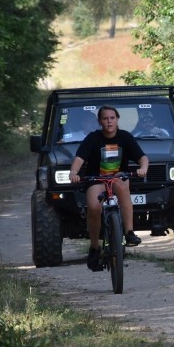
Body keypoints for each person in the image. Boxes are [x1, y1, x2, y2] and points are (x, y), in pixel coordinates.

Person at [69, 105, 150, 271]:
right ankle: (94, 247)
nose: (109, 121)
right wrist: (73, 172)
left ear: (117, 119)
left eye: (112, 118)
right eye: (105, 118)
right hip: (96, 179)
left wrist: (143, 168)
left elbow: (143, 157)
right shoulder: (93, 138)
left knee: (123, 188)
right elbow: (79, 158)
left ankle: (129, 232)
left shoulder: (125, 137)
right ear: (100, 121)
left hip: (118, 178)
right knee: (93, 206)